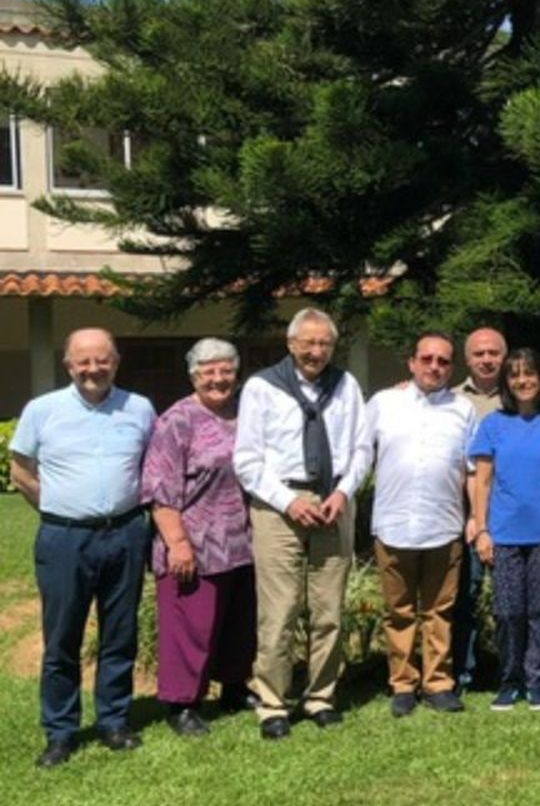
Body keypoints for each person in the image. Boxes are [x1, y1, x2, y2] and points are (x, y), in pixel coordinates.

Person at [11, 328, 156, 768]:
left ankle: (113, 720)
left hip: (127, 533)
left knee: (120, 633)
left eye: (102, 360)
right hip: (64, 539)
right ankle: (61, 731)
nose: (94, 369)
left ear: (116, 361)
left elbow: (152, 466)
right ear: (68, 364)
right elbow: (21, 471)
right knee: (62, 638)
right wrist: (58, 507)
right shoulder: (42, 410)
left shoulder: (140, 408)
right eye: (84, 362)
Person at [234, 308, 366, 740]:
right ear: (290, 344)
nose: (315, 351)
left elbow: (361, 448)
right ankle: (272, 701)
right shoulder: (262, 388)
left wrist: (343, 493)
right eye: (307, 343)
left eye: (324, 343)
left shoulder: (346, 386)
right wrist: (289, 502)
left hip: (333, 501)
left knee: (329, 609)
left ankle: (320, 696)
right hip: (279, 506)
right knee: (280, 609)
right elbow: (248, 460)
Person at [140, 338, 256, 738]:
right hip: (195, 542)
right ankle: (182, 702)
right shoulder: (177, 421)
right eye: (209, 372)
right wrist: (178, 543)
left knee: (238, 624)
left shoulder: (245, 415)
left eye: (226, 371)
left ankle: (234, 688)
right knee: (190, 625)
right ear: (194, 376)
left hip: (242, 541)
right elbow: (159, 489)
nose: (219, 379)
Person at [361, 332, 477, 717]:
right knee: (400, 611)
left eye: (443, 361)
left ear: (451, 367)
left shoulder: (464, 410)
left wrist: (476, 516)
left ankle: (438, 683)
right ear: (411, 362)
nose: (434, 366)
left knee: (439, 611)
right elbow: (361, 455)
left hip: (444, 525)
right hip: (393, 524)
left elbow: (473, 469)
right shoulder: (383, 403)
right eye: (426, 359)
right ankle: (403, 684)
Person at [470, 348, 540, 711]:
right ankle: (509, 679)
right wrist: (483, 530)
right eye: (514, 374)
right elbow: (482, 482)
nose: (522, 381)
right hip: (503, 535)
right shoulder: (493, 425)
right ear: (506, 381)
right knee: (507, 611)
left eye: (529, 373)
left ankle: (536, 680)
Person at [452, 326, 507, 693]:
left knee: (509, 597)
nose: (486, 360)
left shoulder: (521, 396)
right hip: (464, 515)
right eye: (478, 354)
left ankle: (511, 669)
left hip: (511, 512)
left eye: (493, 353)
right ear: (467, 358)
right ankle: (463, 672)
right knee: (465, 595)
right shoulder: (450, 399)